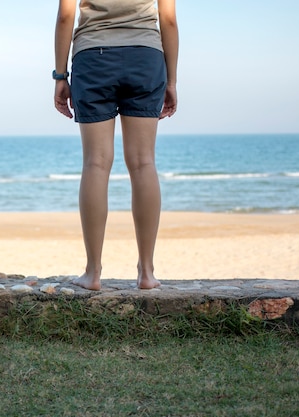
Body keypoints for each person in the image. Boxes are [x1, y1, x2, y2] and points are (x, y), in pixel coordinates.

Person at [54, 0, 178, 290]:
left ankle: (93, 272)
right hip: (146, 57)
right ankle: (147, 272)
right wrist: (171, 80)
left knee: (96, 163)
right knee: (144, 162)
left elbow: (65, 16)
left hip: (93, 57)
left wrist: (60, 76)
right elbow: (168, 20)